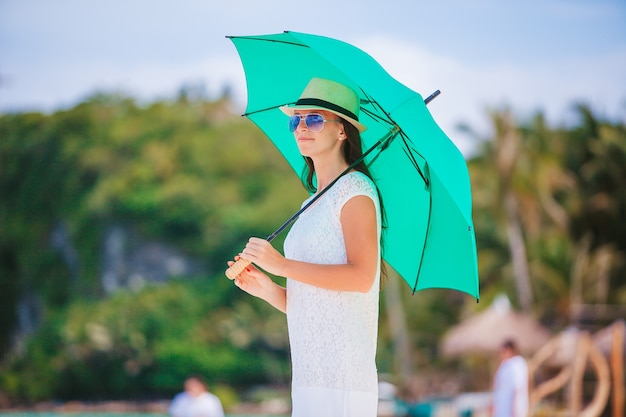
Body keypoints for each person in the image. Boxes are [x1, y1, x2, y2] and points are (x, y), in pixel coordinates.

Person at [227, 77, 382, 417]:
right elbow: (314, 304)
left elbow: (361, 278)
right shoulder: (308, 204)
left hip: (342, 376)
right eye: (295, 120)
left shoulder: (356, 191)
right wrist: (269, 290)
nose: (301, 127)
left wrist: (281, 265)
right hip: (309, 373)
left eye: (314, 119)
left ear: (343, 130)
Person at [491, 339, 529, 417]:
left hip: (512, 408)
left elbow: (518, 387)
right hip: (502, 407)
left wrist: (515, 408)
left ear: (510, 350)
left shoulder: (518, 364)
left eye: (503, 351)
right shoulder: (504, 365)